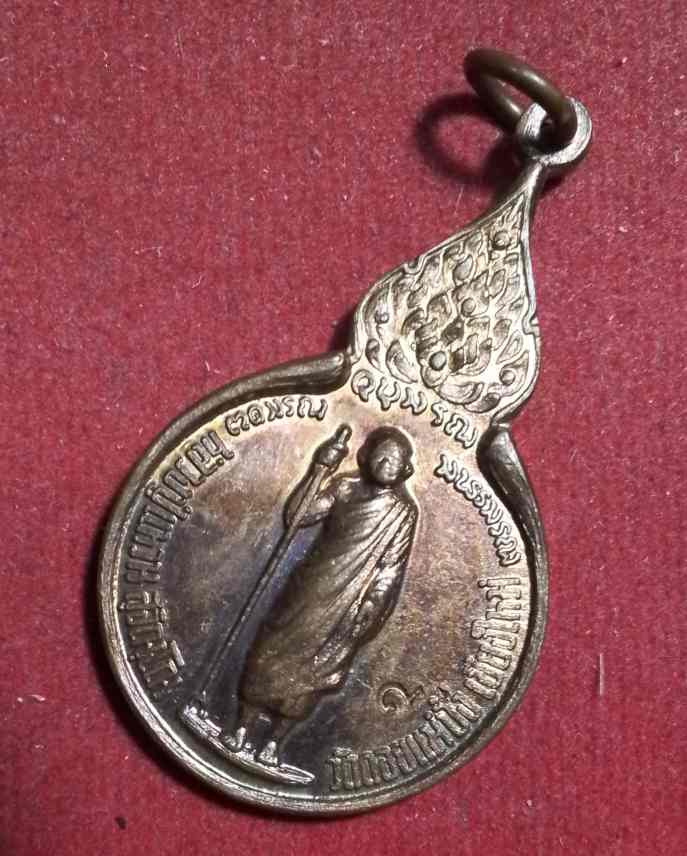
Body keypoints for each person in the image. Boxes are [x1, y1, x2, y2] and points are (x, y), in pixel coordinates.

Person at [224, 426, 418, 771]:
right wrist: (318, 470)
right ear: (365, 456)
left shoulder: (402, 511)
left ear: (406, 468)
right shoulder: (345, 488)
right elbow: (298, 516)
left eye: (395, 459)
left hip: (350, 602)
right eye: (381, 455)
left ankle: (274, 743)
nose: (387, 463)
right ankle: (241, 727)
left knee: (316, 671)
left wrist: (372, 606)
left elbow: (391, 567)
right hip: (309, 588)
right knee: (268, 653)